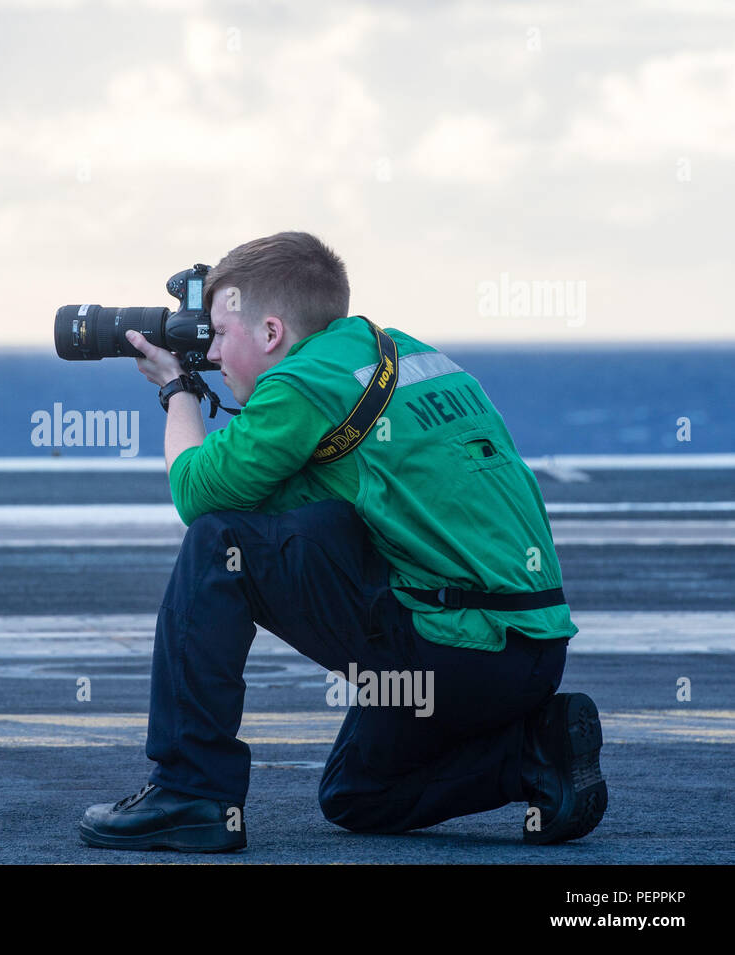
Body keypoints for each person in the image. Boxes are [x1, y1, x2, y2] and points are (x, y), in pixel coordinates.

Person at [77, 231, 608, 852]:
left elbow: (197, 495)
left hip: (457, 650)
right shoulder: (401, 354)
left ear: (272, 333)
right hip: (530, 654)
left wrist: (177, 391)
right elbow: (334, 500)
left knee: (221, 544)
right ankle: (537, 752)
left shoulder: (301, 385)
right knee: (356, 794)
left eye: (220, 335)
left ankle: (190, 792)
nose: (211, 353)